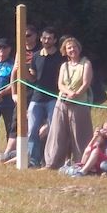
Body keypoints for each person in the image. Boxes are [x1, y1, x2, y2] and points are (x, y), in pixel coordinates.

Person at [43, 37, 94, 169]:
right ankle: (52, 162)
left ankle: (82, 163)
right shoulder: (64, 66)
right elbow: (60, 84)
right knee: (57, 133)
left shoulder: (85, 63)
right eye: (69, 48)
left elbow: (86, 83)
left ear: (79, 48)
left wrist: (76, 94)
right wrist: (67, 92)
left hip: (79, 104)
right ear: (65, 51)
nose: (72, 50)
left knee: (80, 134)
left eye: (74, 47)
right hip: (62, 103)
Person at [26, 27, 63, 167]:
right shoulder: (35, 56)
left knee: (53, 129)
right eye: (44, 38)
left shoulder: (61, 57)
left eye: (49, 38)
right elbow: (32, 78)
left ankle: (51, 159)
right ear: (40, 38)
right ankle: (33, 160)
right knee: (32, 130)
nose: (46, 41)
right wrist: (22, 71)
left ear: (54, 40)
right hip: (36, 98)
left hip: (53, 98)